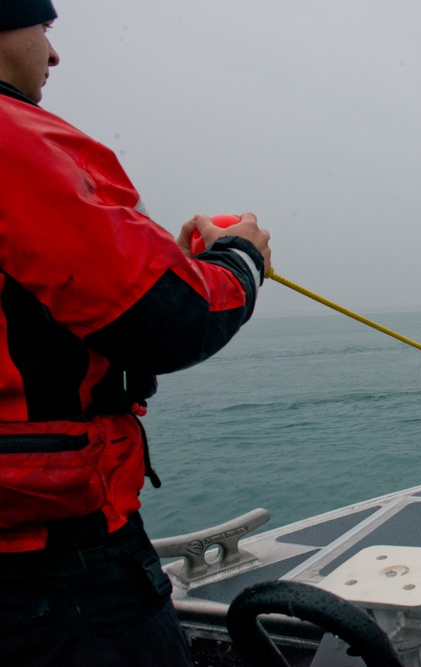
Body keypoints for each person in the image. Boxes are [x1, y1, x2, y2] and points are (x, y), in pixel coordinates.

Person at [0, 2, 271, 665]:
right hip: (55, 572)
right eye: (45, 29)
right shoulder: (17, 146)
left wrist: (174, 263)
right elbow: (169, 321)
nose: (53, 55)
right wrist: (240, 258)